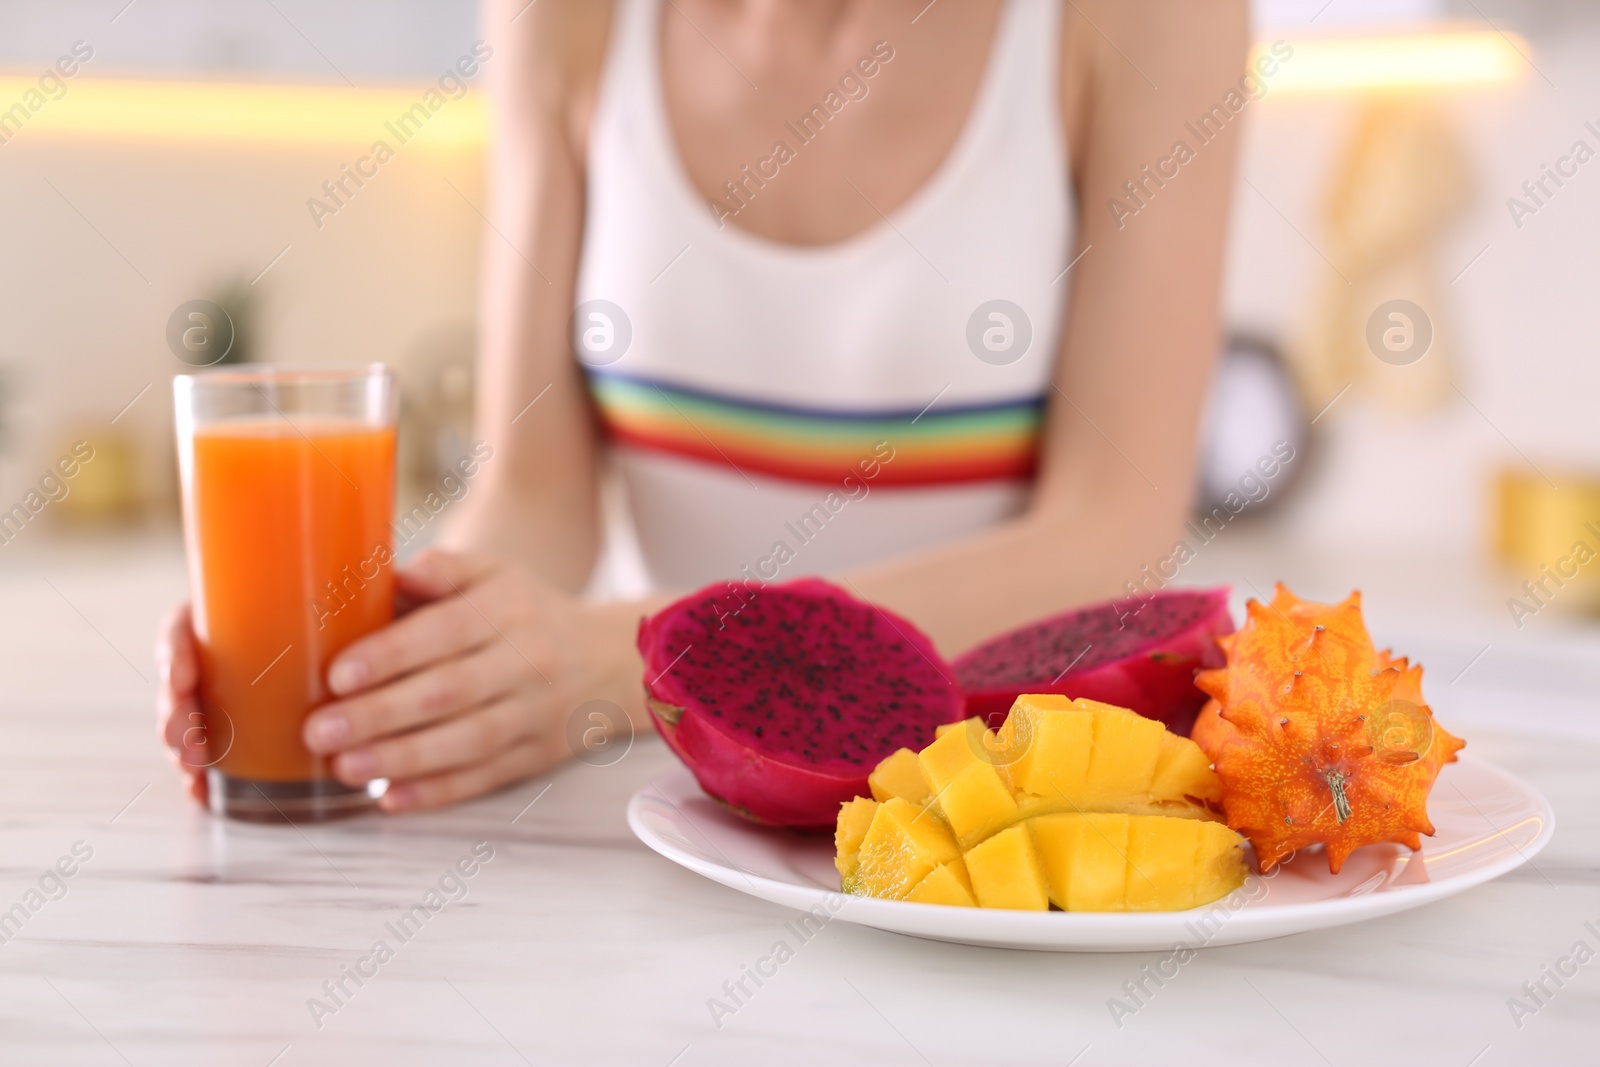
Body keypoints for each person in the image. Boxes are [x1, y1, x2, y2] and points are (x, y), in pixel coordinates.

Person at [159, 0, 1247, 811]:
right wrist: (411, 642)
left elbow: (1113, 536)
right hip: (663, 788)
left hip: (993, 801)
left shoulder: (1144, 20)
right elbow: (535, 493)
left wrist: (623, 658)